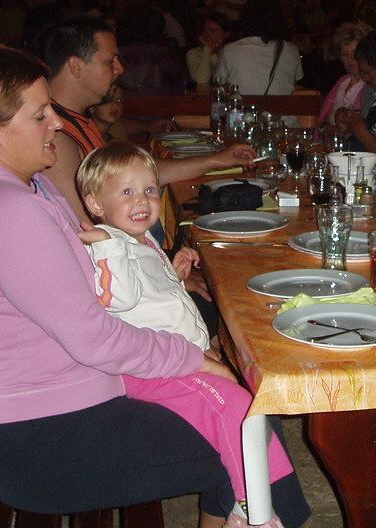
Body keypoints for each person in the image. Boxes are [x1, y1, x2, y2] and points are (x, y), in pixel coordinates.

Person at [0, 38, 309, 526]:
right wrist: (192, 358)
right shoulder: (6, 212)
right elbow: (95, 337)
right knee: (247, 430)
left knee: (245, 418)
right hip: (42, 441)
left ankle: (254, 510)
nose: (56, 123)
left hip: (64, 404)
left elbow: (95, 291)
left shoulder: (24, 189)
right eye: (40, 115)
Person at [76, 141, 295, 528]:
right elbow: (118, 299)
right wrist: (108, 247)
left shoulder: (140, 240)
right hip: (150, 371)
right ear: (95, 204)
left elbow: (148, 299)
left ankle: (257, 496)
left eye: (148, 189)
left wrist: (174, 277)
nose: (142, 200)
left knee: (248, 403)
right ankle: (250, 508)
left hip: (174, 358)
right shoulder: (109, 245)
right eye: (126, 192)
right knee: (235, 407)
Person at [41, 17, 255, 224]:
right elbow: (85, 227)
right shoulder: (56, 137)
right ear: (75, 66)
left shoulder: (77, 121)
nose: (120, 69)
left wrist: (216, 160)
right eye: (110, 61)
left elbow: (134, 176)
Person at [215, 7, 303, 96]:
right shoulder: (291, 50)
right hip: (283, 104)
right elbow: (295, 80)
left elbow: (218, 83)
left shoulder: (230, 50)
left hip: (243, 104)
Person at [315, 20, 372, 140]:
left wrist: (329, 129)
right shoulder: (342, 82)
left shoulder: (371, 85)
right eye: (344, 55)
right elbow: (322, 123)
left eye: (355, 53)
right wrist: (325, 128)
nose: (350, 59)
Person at [187, 15, 231, 88]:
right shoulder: (193, 53)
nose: (207, 35)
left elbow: (226, 77)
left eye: (212, 31)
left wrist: (212, 54)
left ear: (225, 34)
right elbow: (201, 80)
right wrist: (207, 50)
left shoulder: (230, 52)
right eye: (205, 30)